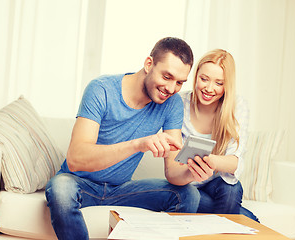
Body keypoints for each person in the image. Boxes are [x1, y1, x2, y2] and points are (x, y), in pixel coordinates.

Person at [45, 37, 201, 240]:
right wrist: (138, 144)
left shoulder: (172, 105)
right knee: (60, 188)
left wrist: (192, 171)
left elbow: (173, 172)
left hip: (121, 190)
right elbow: (76, 159)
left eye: (179, 82)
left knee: (189, 194)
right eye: (167, 76)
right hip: (79, 184)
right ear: (148, 64)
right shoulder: (101, 89)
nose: (171, 89)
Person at [179, 49, 258, 221]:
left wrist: (210, 162)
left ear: (227, 85)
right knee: (248, 220)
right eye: (204, 79)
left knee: (232, 188)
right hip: (186, 184)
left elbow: (235, 162)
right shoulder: (179, 103)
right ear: (196, 76)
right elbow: (173, 164)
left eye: (219, 83)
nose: (209, 88)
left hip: (214, 184)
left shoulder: (237, 106)